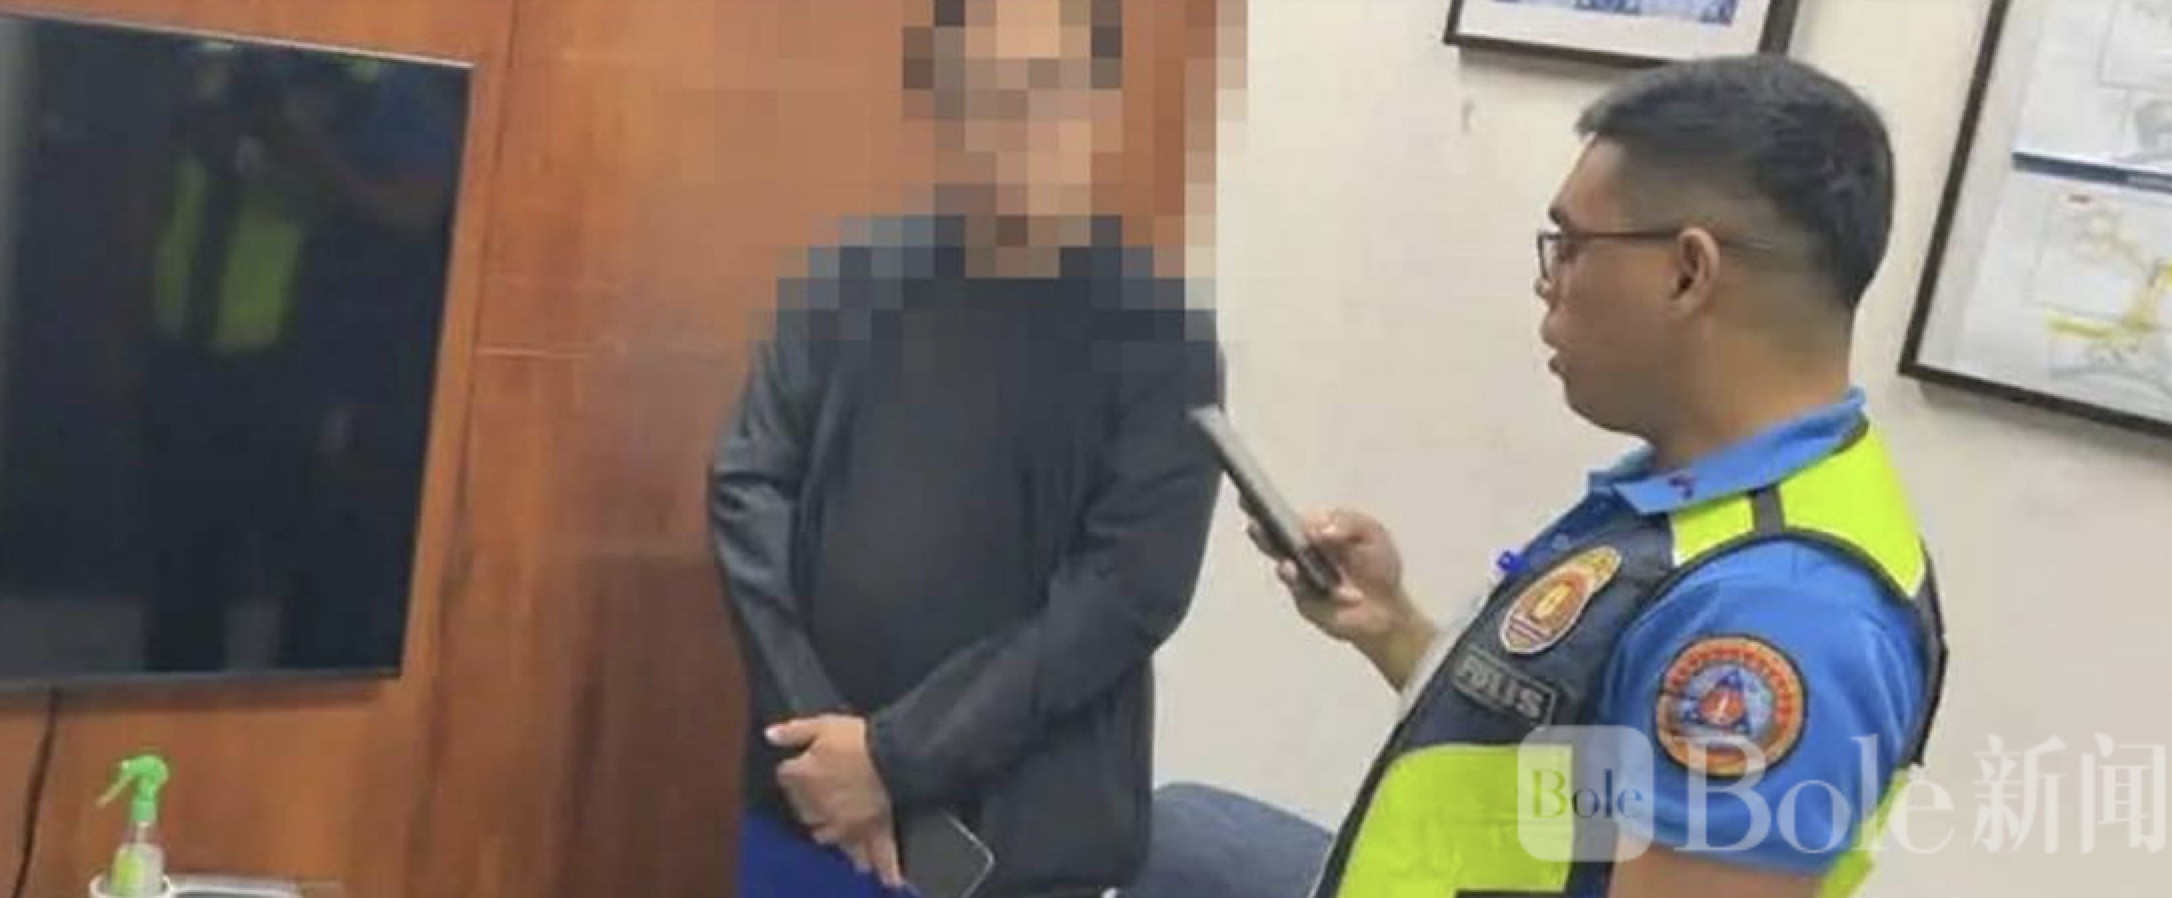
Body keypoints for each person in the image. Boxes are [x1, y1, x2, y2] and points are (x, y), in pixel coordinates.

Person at [1123, 54, 1949, 898]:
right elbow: (1588, 802)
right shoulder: (1702, 497)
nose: (1547, 284)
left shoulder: (1776, 613)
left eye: (1572, 247)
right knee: (1177, 833)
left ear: (1687, 273)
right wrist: (1392, 628)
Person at [709, 0, 1224, 896]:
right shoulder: (846, 276)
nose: (1016, 121)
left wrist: (893, 759)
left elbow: (1124, 595)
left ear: (1099, 104)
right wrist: (821, 739)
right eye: (987, 89)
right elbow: (745, 485)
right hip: (808, 807)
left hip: (1008, 847)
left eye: (1047, 88)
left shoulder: (1159, 335)